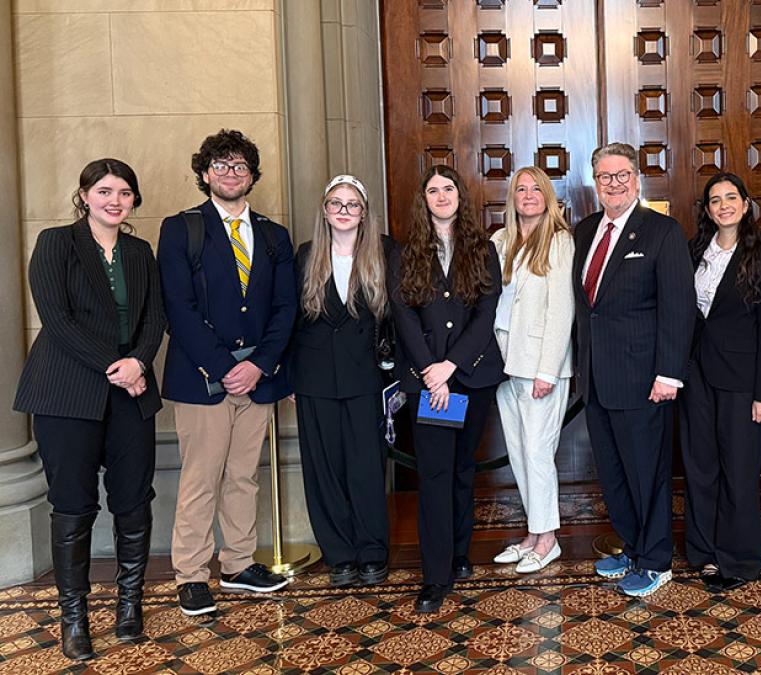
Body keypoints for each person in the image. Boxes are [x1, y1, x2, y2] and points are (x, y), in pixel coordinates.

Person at [13, 159, 165, 660]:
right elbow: (55, 319)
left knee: (134, 501)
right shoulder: (56, 243)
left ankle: (129, 607)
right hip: (67, 394)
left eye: (124, 192)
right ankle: (73, 618)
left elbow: (155, 317)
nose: (115, 200)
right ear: (84, 195)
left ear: (134, 200)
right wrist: (117, 365)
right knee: (74, 505)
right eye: (104, 191)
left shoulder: (141, 252)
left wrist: (138, 362)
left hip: (132, 393)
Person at [158, 129, 296, 616]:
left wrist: (258, 366)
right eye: (220, 166)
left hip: (258, 379)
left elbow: (286, 308)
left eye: (239, 166)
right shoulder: (182, 228)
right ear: (204, 174)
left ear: (252, 176)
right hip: (202, 380)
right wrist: (223, 366)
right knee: (201, 478)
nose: (230, 174)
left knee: (243, 477)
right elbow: (179, 306)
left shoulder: (275, 236)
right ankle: (191, 575)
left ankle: (237, 563)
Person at [574, 142, 694, 597]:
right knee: (615, 473)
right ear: (595, 182)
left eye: (622, 175)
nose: (614, 184)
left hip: (645, 380)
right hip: (597, 380)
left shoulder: (661, 232)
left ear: (637, 179)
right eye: (605, 177)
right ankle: (632, 546)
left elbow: (678, 308)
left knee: (648, 473)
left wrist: (668, 373)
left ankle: (656, 559)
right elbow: (588, 310)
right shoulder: (586, 231)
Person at [390, 165, 505, 613]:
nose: (442, 195)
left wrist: (451, 365)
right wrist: (431, 372)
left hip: (470, 378)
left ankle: (459, 554)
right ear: (424, 199)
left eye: (449, 188)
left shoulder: (482, 249)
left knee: (461, 471)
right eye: (433, 190)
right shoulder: (405, 253)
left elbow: (486, 313)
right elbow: (404, 317)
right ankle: (435, 577)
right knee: (436, 475)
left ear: (461, 195)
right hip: (430, 386)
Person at [680, 172, 761, 591]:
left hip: (742, 380)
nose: (723, 205)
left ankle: (739, 559)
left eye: (730, 198)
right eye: (715, 200)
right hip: (695, 375)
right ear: (707, 209)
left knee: (738, 469)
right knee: (699, 466)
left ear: (745, 204)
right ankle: (703, 553)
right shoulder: (693, 251)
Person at [292, 175, 394, 587]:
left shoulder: (385, 253)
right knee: (325, 470)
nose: (344, 211)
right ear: (325, 209)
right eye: (337, 203)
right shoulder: (304, 256)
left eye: (353, 204)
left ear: (364, 212)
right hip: (315, 377)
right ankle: (339, 553)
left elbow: (396, 316)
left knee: (366, 467)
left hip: (367, 376)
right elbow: (291, 321)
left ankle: (372, 550)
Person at [490, 167, 574, 573]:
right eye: (520, 189)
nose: (527, 195)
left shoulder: (559, 241)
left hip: (541, 366)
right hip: (504, 365)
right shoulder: (500, 240)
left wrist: (548, 370)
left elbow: (562, 311)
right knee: (520, 453)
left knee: (540, 453)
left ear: (547, 196)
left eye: (535, 189)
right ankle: (532, 533)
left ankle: (549, 540)